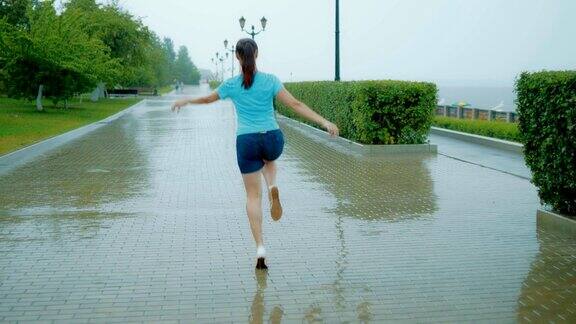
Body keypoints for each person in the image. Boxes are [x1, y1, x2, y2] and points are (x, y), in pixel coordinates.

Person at [171, 38, 339, 270]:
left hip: (246, 141)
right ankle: (272, 185)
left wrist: (186, 100)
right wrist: (324, 121)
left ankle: (260, 248)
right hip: (272, 137)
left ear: (238, 58)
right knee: (269, 158)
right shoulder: (270, 80)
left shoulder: (231, 84)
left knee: (252, 197)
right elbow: (295, 104)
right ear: (256, 54)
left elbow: (207, 99)